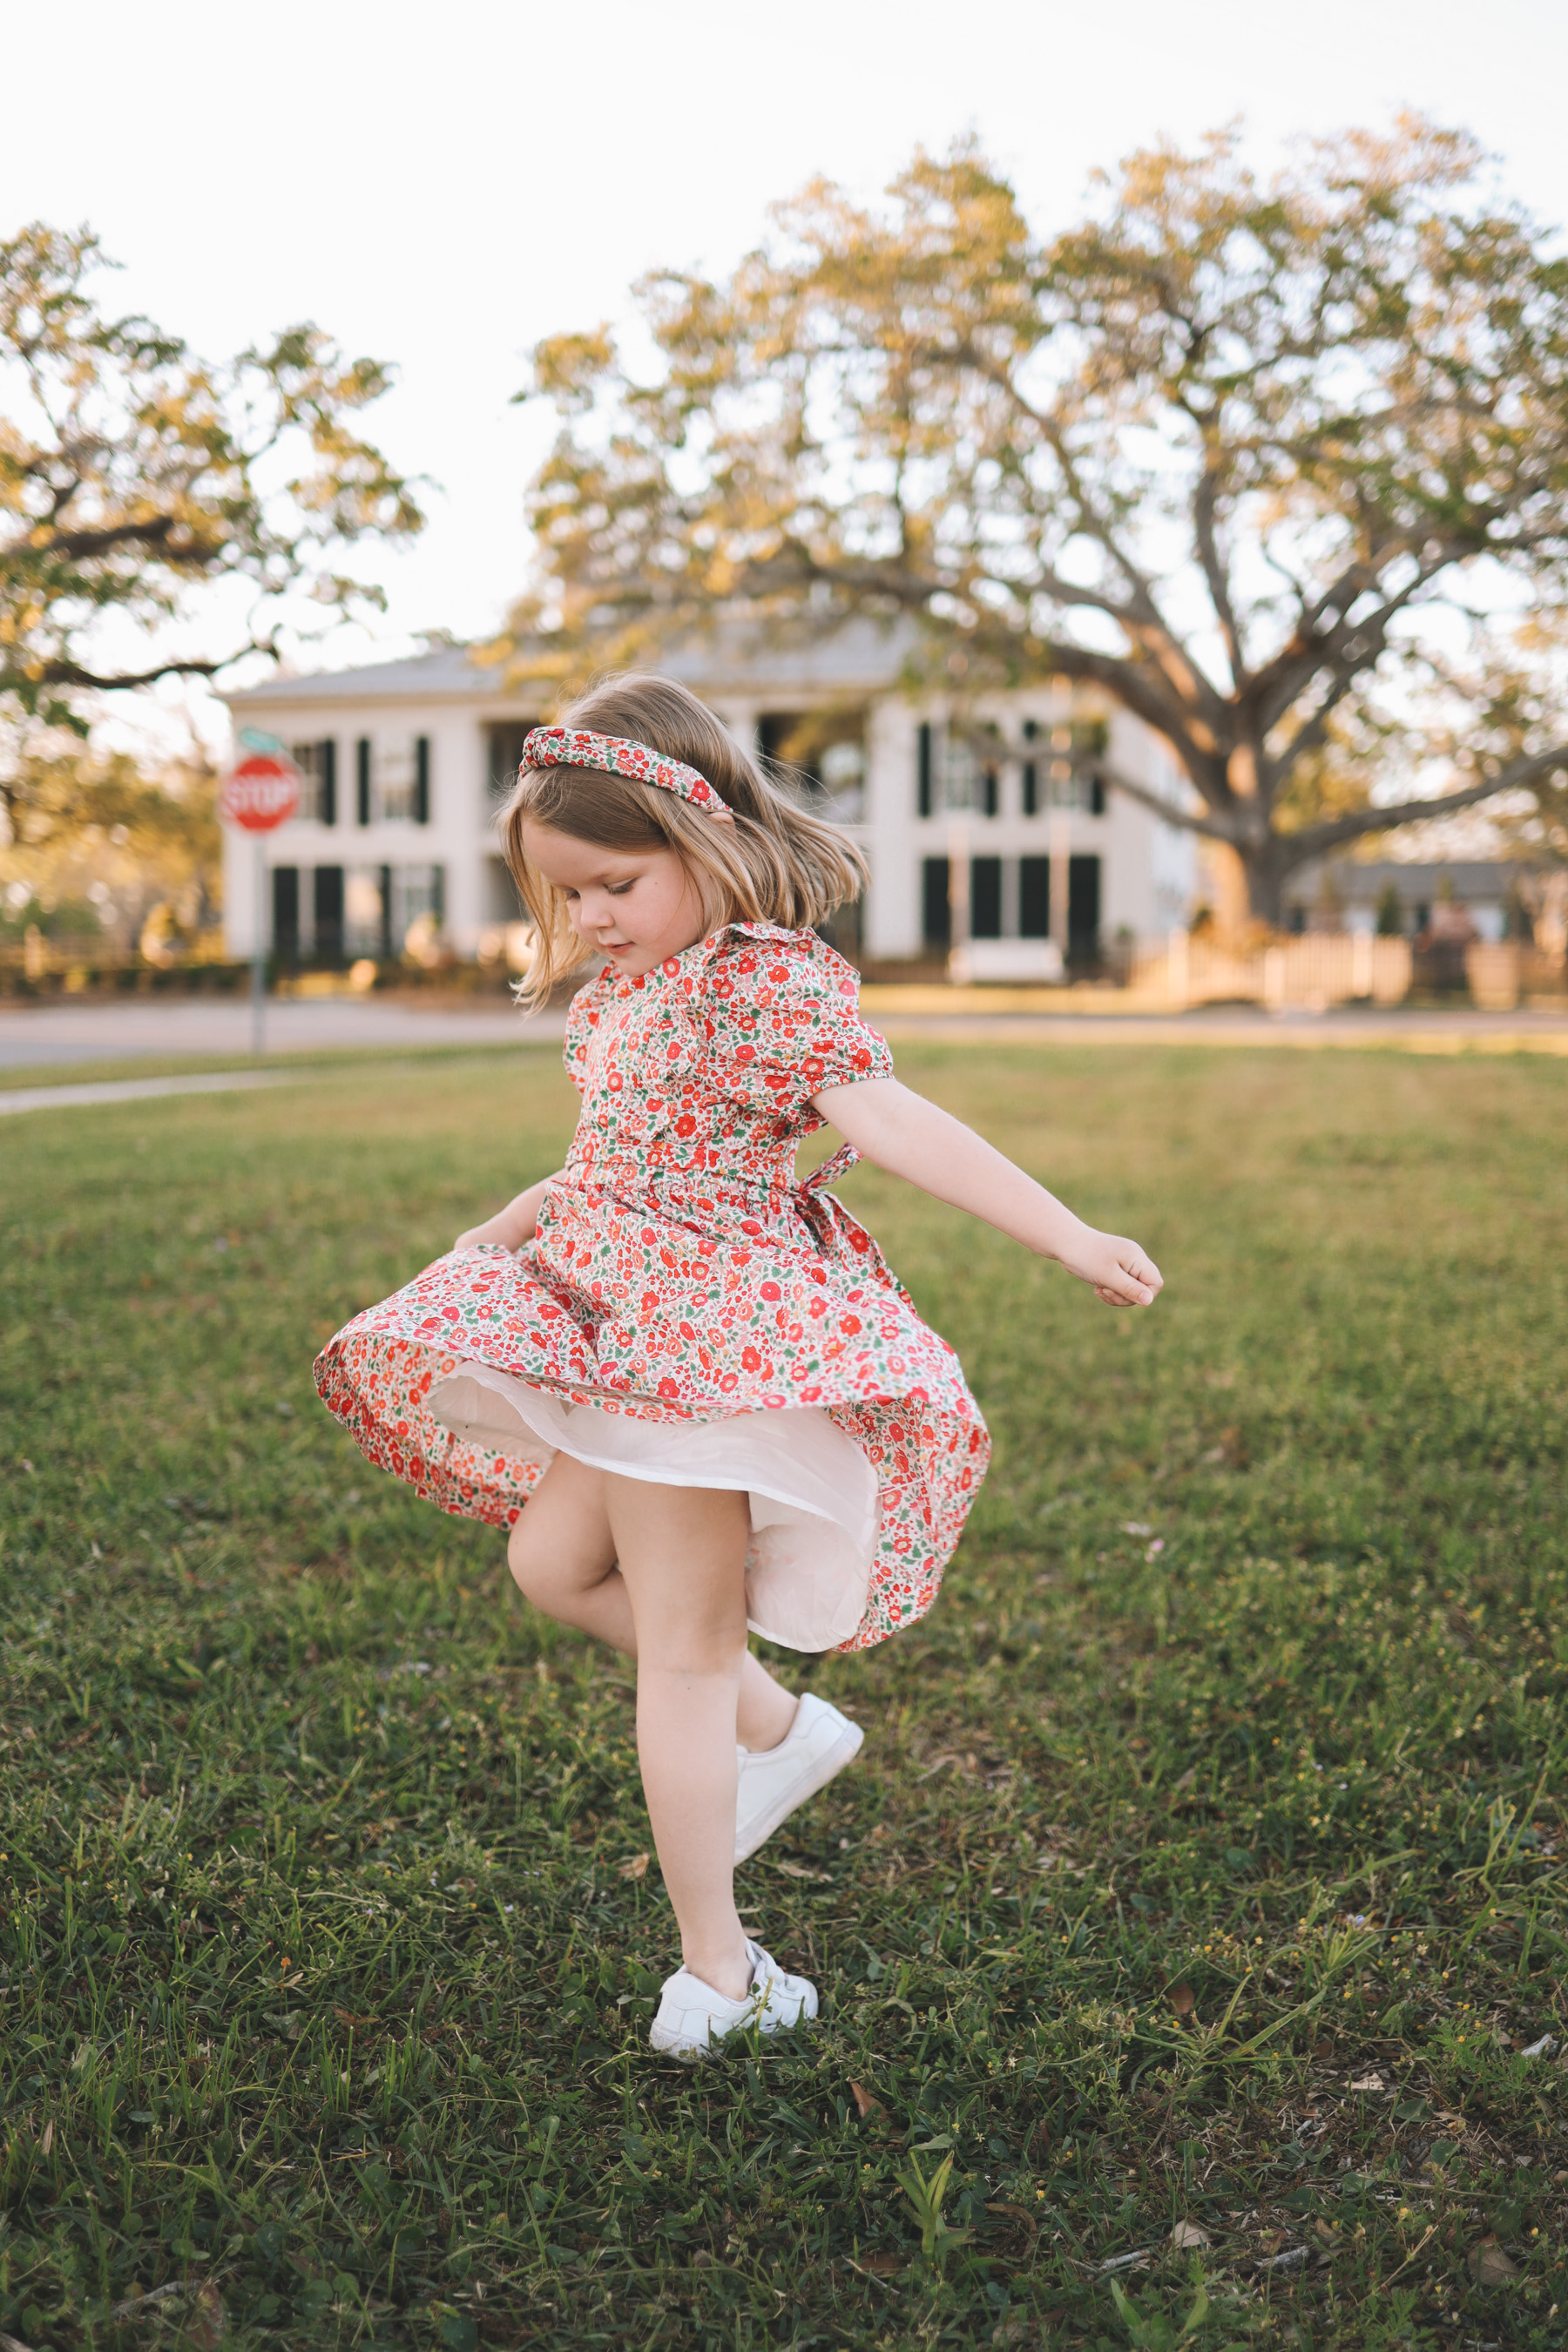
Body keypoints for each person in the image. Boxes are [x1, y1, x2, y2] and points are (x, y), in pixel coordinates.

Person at [314, 674, 1162, 2058]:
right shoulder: (633, 991)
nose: (589, 918)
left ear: (698, 837)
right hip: (611, 1322)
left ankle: (717, 1972)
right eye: (565, 896)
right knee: (551, 1569)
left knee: (686, 1659)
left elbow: (888, 1121)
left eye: (612, 883)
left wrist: (1066, 1232)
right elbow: (614, 1156)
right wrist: (510, 1227)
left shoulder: (765, 979)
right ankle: (786, 1733)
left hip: (700, 1352)